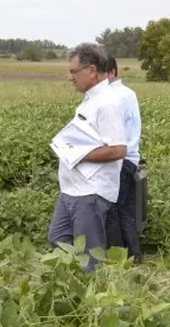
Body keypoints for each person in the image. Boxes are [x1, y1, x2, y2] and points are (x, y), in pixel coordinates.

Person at [49, 43, 127, 271]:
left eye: (74, 71)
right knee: (58, 240)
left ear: (92, 71)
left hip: (90, 192)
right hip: (72, 189)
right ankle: (69, 289)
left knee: (88, 258)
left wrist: (78, 153)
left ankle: (91, 301)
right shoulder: (92, 99)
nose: (70, 77)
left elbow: (118, 149)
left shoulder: (108, 103)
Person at [103, 55, 144, 261]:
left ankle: (118, 257)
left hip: (119, 159)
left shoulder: (112, 97)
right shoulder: (129, 93)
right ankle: (135, 255)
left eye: (104, 74)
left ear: (112, 72)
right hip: (132, 158)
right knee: (126, 211)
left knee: (112, 210)